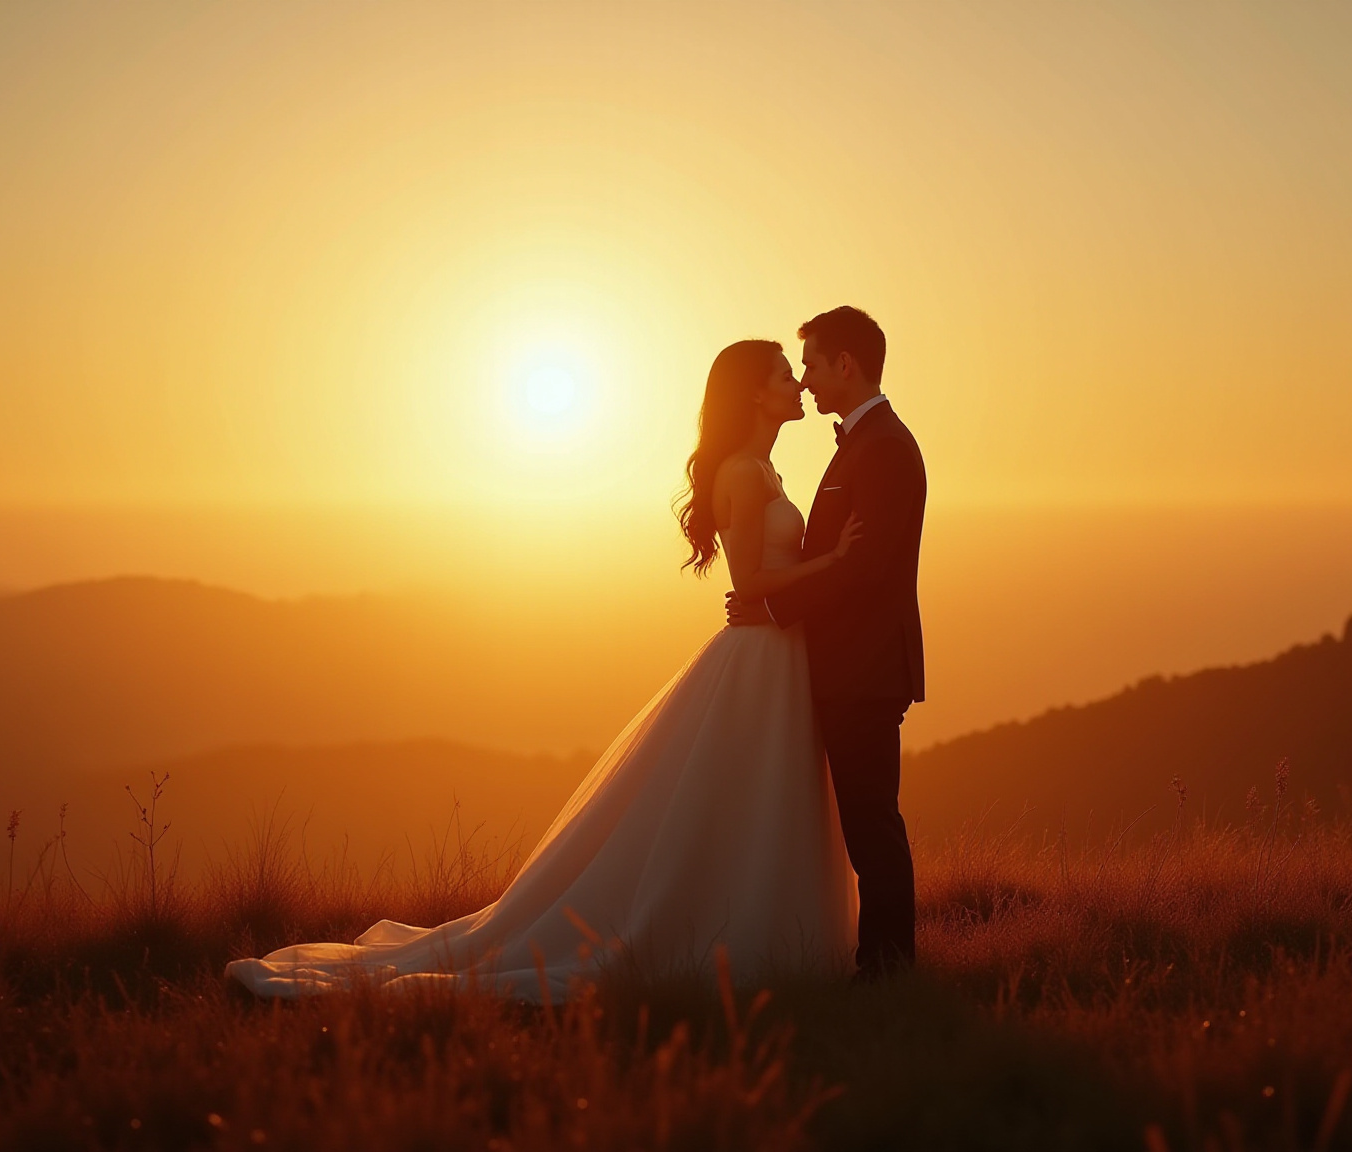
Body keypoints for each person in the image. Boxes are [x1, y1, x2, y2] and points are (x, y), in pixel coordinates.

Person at [225, 337, 862, 999]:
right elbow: (751, 581)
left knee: (761, 802)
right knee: (746, 799)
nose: (798, 386)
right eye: (786, 376)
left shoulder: (764, 470)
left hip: (778, 656)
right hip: (760, 661)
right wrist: (836, 564)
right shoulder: (742, 473)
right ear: (755, 393)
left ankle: (772, 934)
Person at [729, 306, 925, 979]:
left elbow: (863, 565)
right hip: (845, 666)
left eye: (810, 364)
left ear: (846, 365)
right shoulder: (861, 444)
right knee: (864, 823)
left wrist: (774, 603)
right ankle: (878, 963)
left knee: (871, 824)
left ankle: (888, 968)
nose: (806, 380)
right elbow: (830, 554)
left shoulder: (885, 448)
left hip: (865, 669)